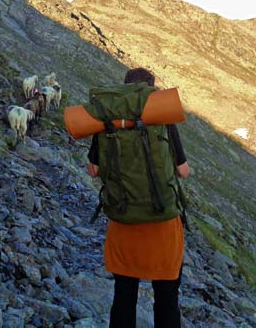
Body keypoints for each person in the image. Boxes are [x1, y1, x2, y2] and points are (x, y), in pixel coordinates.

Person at [87, 67, 190, 328]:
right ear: (150, 89)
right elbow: (183, 171)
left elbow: (93, 169)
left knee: (124, 294)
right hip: (162, 220)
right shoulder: (162, 117)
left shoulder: (108, 120)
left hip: (124, 219)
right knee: (167, 296)